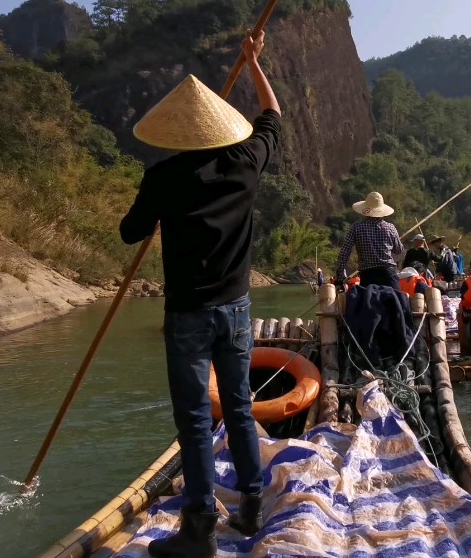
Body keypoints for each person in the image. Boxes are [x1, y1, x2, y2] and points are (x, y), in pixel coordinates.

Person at [119, 29, 280, 558]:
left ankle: (201, 528)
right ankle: (253, 503)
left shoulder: (163, 176)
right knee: (238, 405)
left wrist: (156, 205)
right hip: (236, 310)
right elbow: (272, 116)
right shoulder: (245, 163)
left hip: (188, 314)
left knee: (193, 418)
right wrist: (253, 62)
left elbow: (129, 231)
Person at [334, 191, 404, 290]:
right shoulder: (390, 228)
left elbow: (344, 253)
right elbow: (398, 250)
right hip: (389, 275)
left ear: (366, 210)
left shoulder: (356, 227)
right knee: (400, 303)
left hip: (368, 276)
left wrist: (340, 277)